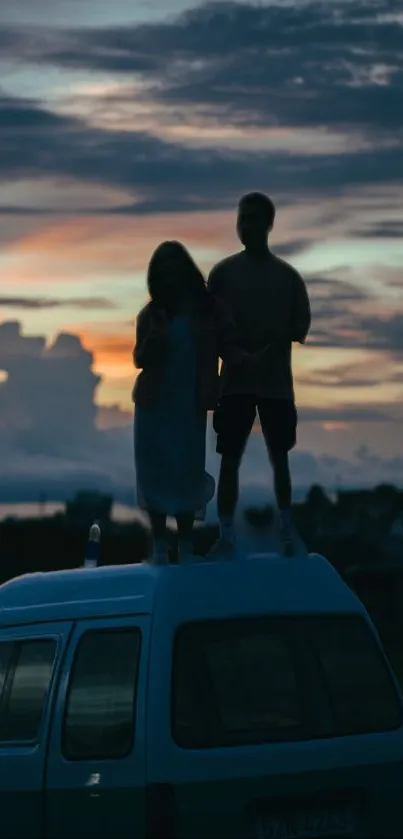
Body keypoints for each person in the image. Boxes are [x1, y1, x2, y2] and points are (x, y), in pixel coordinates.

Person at [132, 240, 253, 563]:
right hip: (153, 405)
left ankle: (184, 544)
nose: (171, 274)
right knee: (154, 472)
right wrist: (154, 339)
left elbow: (229, 344)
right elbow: (139, 358)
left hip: (189, 405)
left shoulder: (209, 310)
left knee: (186, 471)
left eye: (176, 266)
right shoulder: (152, 314)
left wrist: (249, 361)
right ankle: (159, 545)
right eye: (164, 269)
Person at [207, 192, 311, 556]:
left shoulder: (287, 277)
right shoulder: (221, 275)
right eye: (242, 218)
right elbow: (211, 331)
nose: (246, 225)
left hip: (276, 386)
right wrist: (239, 356)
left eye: (253, 218)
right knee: (229, 459)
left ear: (268, 224)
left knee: (279, 457)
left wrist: (271, 344)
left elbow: (301, 325)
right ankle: (225, 534)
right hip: (234, 384)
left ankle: (285, 529)